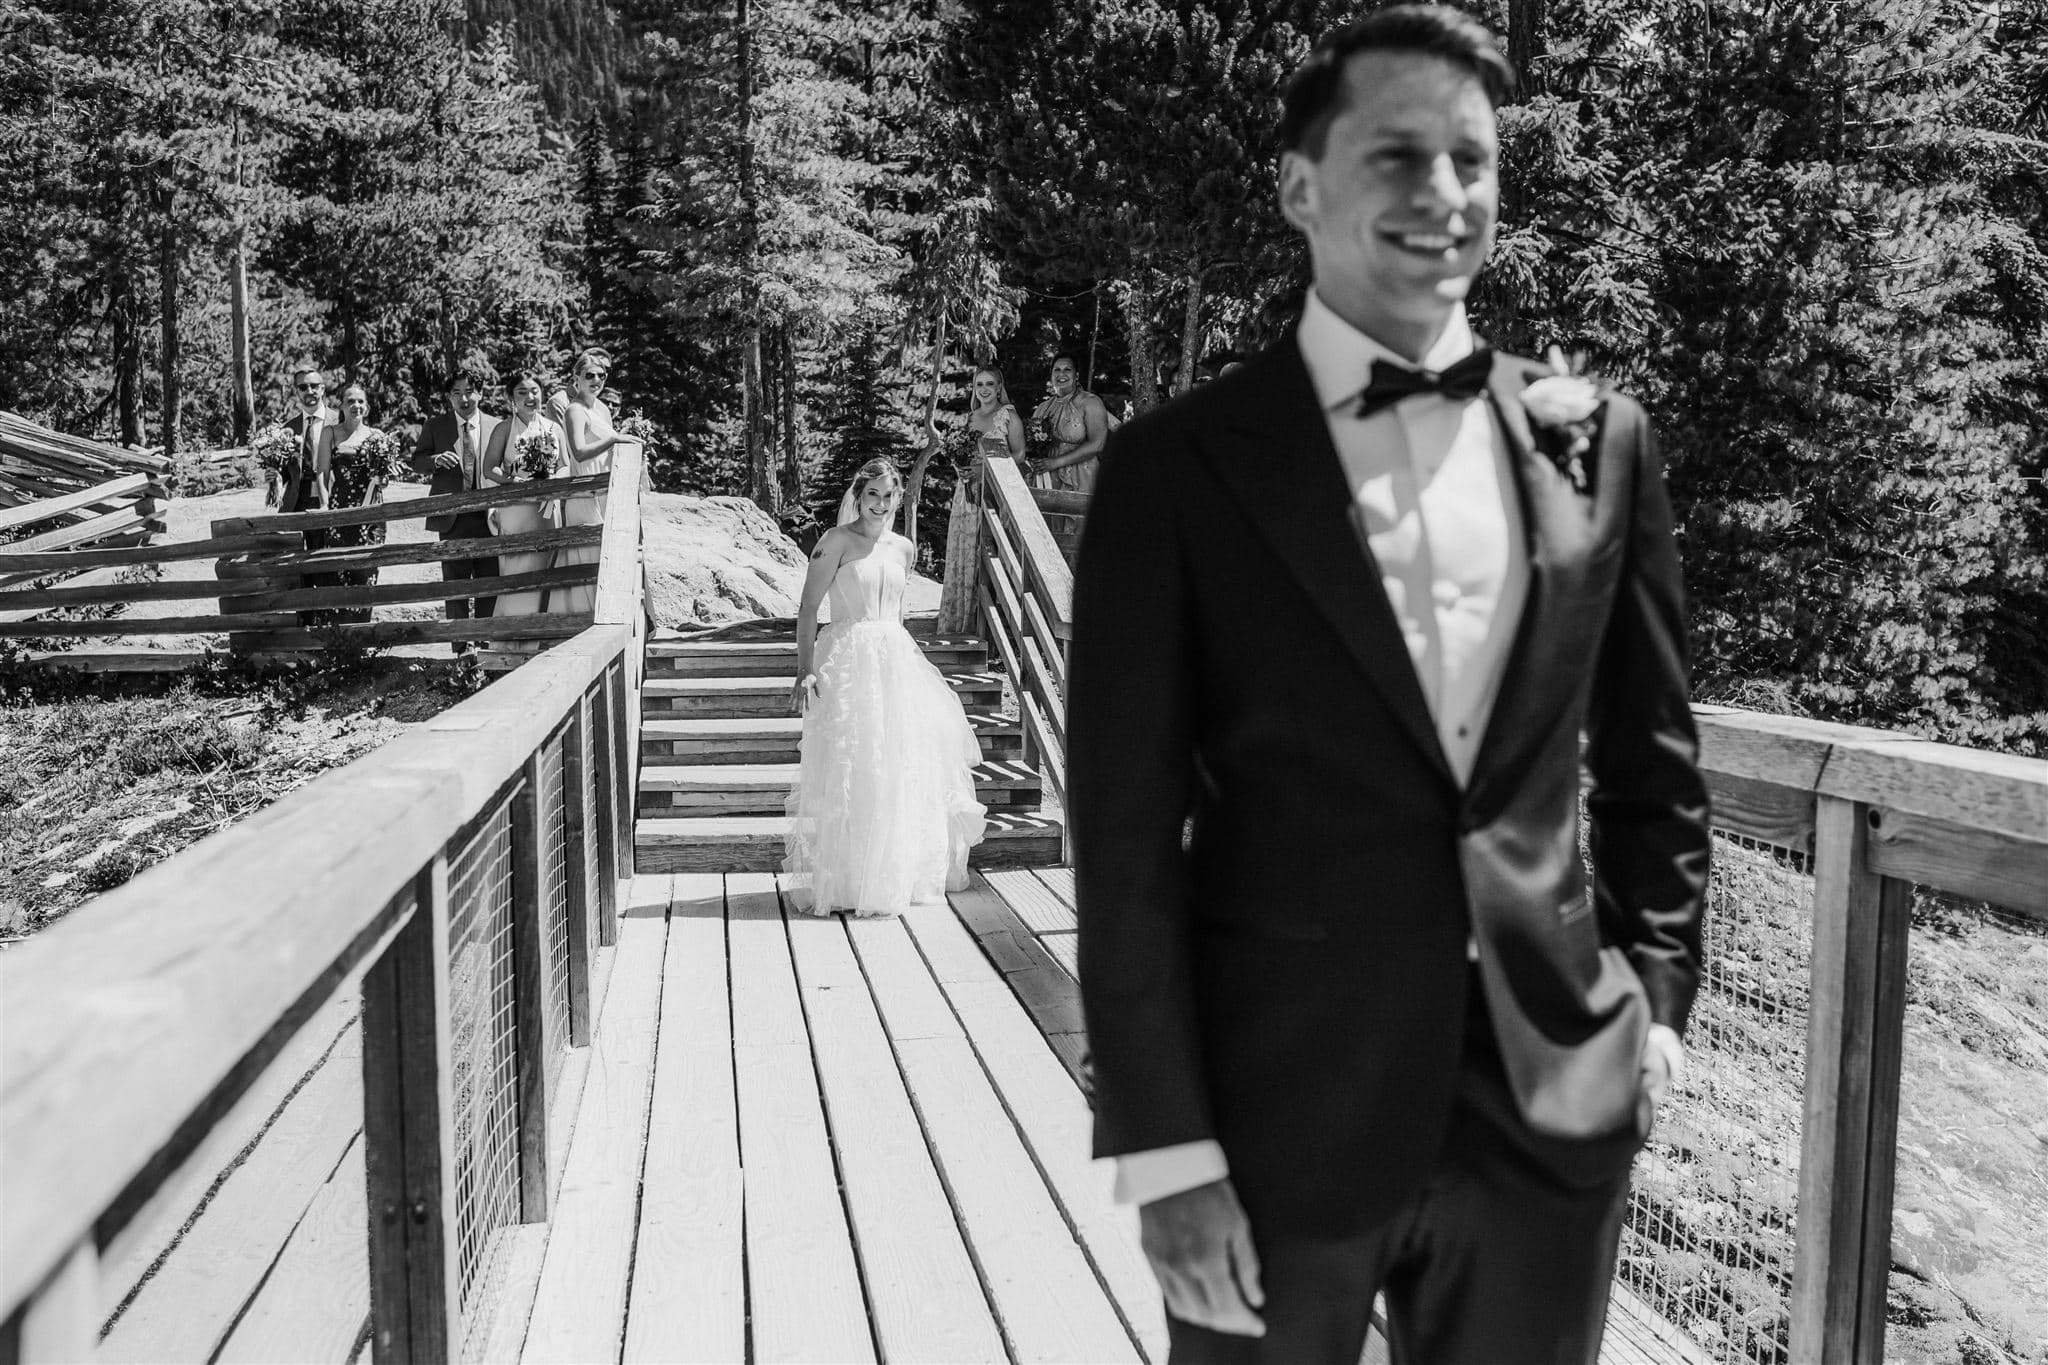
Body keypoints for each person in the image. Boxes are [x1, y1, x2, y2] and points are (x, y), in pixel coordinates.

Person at [1066, 9, 1712, 1364]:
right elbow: (1121, 845)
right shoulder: (1175, 471)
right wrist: (1165, 1150)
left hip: (1549, 1115)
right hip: (1270, 1120)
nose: (1444, 193)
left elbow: (1652, 767)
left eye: (1471, 159)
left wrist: (1652, 1010)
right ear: (1299, 186)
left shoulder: (1598, 444)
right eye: (1396, 156)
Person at [783, 458, 987, 916]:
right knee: (856, 766)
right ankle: (850, 881)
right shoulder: (835, 541)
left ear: (898, 498)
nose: (879, 503)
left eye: (887, 495)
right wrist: (805, 668)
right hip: (848, 660)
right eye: (871, 494)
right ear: (858, 496)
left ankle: (894, 876)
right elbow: (808, 608)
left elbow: (896, 611)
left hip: (895, 662)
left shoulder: (904, 548)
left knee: (898, 765)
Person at [409, 362, 502, 641]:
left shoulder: (497, 426)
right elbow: (417, 462)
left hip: (490, 517)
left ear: (480, 393)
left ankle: (485, 643)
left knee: (489, 586)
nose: (464, 398)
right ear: (449, 396)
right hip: (452, 519)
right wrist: (435, 460)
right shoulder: (436, 426)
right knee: (455, 588)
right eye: (457, 393)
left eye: (470, 391)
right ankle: (461, 648)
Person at [480, 370, 568, 618]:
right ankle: (514, 622)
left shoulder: (554, 428)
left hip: (547, 507)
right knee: (518, 564)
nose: (530, 397)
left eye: (534, 391)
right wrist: (512, 480)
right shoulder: (504, 429)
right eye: (522, 392)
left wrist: (553, 480)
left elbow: (565, 465)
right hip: (516, 509)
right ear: (512, 398)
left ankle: (545, 622)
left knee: (548, 560)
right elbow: (489, 468)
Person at [548, 349, 618, 618]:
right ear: (576, 377)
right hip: (584, 489)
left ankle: (603, 611)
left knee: (604, 553)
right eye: (589, 375)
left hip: (604, 489)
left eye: (602, 375)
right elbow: (578, 451)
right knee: (585, 552)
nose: (596, 380)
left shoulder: (602, 409)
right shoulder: (574, 410)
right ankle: (580, 615)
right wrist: (614, 440)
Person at [313, 382, 389, 624]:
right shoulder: (330, 433)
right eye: (350, 401)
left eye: (360, 401)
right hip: (340, 510)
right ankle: (337, 634)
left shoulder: (378, 436)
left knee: (366, 573)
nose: (356, 405)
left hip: (371, 512)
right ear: (342, 406)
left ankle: (363, 632)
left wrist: (383, 480)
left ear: (367, 407)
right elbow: (322, 472)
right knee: (337, 571)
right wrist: (325, 505)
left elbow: (384, 477)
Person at [1028, 353, 1110, 492]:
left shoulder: (1090, 402)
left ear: (1076, 375)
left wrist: (1056, 462)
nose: (1061, 374)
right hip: (1047, 477)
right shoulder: (1043, 408)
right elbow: (1031, 445)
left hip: (1081, 477)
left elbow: (1097, 444)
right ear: (1051, 375)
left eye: (1067, 369)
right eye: (1057, 370)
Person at [277, 362, 331, 517]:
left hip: (332, 498)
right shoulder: (288, 428)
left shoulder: (339, 421)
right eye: (303, 387)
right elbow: (285, 472)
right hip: (297, 502)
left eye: (314, 386)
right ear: (297, 392)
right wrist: (275, 475)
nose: (309, 391)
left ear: (322, 389)